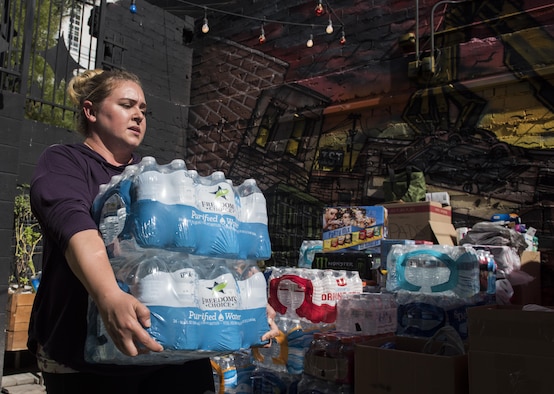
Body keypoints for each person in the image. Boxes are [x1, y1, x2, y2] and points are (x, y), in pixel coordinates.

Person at [28, 69, 278, 394]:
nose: (138, 116)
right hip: (86, 363)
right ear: (90, 111)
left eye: (143, 110)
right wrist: (108, 294)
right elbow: (74, 226)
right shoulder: (66, 162)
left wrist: (246, 301)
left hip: (172, 354)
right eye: (127, 105)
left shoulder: (154, 181)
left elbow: (204, 258)